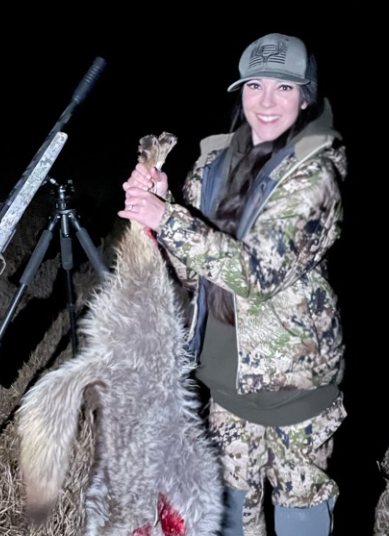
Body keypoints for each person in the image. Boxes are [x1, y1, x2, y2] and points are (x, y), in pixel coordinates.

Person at [119, 32, 347, 536]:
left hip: (295, 388)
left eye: (284, 89)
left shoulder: (317, 176)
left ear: (305, 96)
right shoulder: (213, 164)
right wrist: (162, 205)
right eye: (255, 86)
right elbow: (194, 274)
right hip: (226, 383)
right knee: (227, 514)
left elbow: (256, 273)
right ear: (240, 91)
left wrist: (170, 219)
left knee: (300, 515)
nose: (266, 102)